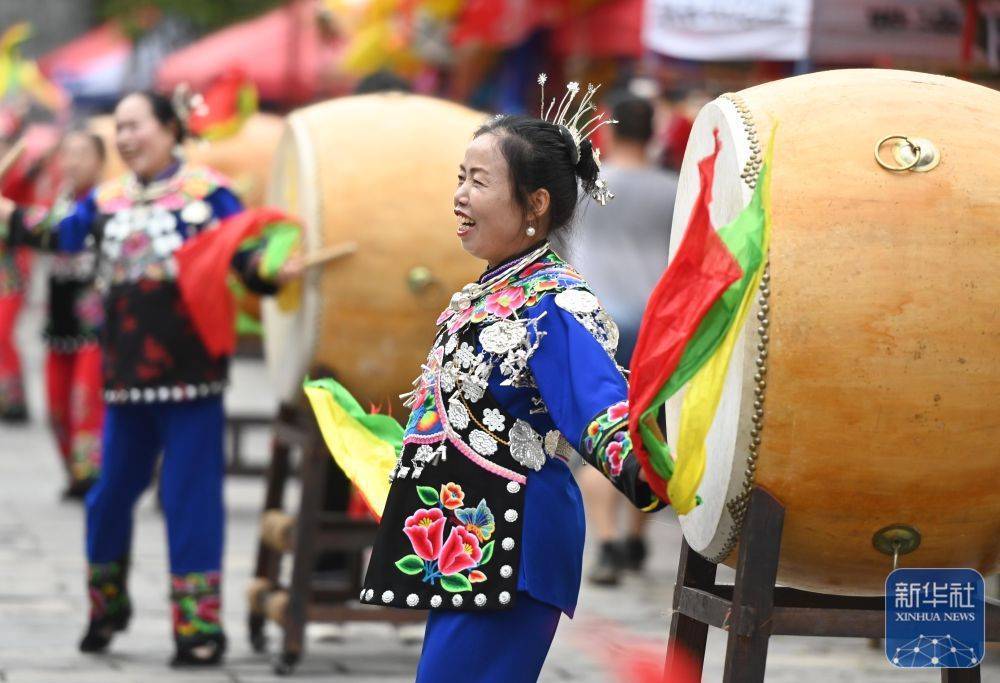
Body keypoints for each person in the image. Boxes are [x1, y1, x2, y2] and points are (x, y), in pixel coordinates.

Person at [351, 79, 666, 681]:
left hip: (511, 545)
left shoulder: (554, 304)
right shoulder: (491, 289)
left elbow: (599, 409)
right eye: (460, 178)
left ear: (536, 202)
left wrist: (661, 465)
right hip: (466, 546)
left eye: (479, 181)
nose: (459, 197)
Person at [0, 91, 299, 666]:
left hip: (192, 380)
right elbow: (59, 232)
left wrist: (269, 269)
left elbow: (248, 251)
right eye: (122, 130)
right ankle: (106, 605)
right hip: (124, 379)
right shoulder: (106, 201)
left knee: (191, 502)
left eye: (137, 126)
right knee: (108, 498)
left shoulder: (207, 195)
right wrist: (11, 217)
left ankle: (197, 628)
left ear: (169, 129)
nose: (127, 139)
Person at [556, 93, 678, 586]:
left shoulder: (583, 188)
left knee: (597, 430)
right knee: (650, 429)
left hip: (595, 320)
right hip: (660, 326)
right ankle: (636, 535)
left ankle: (605, 540)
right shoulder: (675, 189)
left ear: (606, 132)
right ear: (654, 134)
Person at [9, 129, 107, 497]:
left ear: (100, 161)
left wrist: (16, 215)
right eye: (67, 154)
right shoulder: (56, 202)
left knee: (85, 402)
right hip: (59, 318)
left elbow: (40, 226)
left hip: (94, 325)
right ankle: (73, 472)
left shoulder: (103, 204)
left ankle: (92, 477)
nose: (73, 161)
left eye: (82, 154)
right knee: (56, 406)